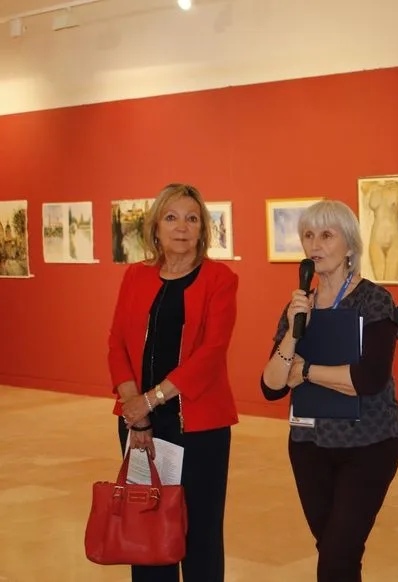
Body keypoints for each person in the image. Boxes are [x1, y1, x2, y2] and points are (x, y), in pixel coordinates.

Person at [260, 199, 398, 582]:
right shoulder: (298, 306)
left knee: (337, 556)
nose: (315, 245)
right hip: (309, 446)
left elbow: (367, 379)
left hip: (369, 445)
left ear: (350, 245)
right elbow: (271, 385)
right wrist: (294, 328)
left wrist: (305, 371)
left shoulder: (375, 300)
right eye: (308, 235)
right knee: (334, 552)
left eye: (326, 235)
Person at [107, 183, 239, 582]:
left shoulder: (220, 278)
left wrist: (150, 401)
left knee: (199, 534)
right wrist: (135, 409)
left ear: (202, 230)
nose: (181, 227)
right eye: (171, 217)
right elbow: (116, 344)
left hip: (199, 428)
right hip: (139, 424)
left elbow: (211, 354)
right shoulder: (135, 276)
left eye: (192, 218)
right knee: (148, 527)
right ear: (156, 227)